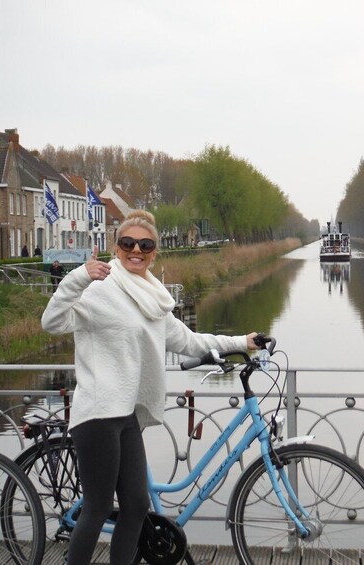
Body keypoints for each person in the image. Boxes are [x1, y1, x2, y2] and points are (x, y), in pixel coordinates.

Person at [41, 210, 260, 565]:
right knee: (96, 509)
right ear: (116, 246)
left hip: (126, 412)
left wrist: (242, 341)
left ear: (155, 251)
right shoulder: (100, 288)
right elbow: (51, 322)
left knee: (137, 506)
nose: (136, 250)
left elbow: (189, 341)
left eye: (145, 244)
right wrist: (79, 277)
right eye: (127, 243)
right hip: (97, 412)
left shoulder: (155, 297)